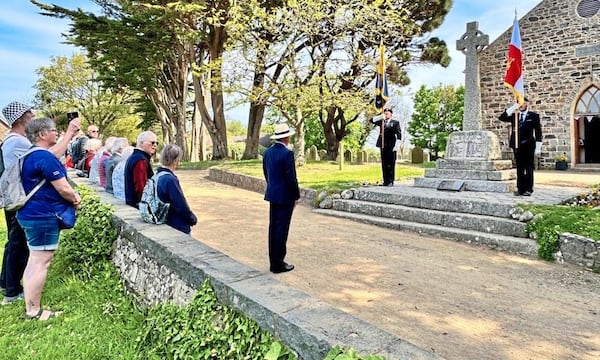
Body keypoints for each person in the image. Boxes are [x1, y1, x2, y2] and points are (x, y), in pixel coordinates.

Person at [0, 102, 80, 306]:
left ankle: (9, 285)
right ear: (20, 119)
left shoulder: (14, 140)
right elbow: (47, 157)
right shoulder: (17, 142)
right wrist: (69, 133)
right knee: (22, 248)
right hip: (29, 204)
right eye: (29, 113)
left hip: (22, 201)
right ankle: (14, 293)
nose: (33, 114)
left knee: (21, 247)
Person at [18, 118, 81, 320]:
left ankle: (31, 306)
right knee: (40, 263)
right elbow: (63, 188)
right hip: (43, 216)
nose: (57, 133)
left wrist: (69, 133)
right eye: (54, 131)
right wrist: (75, 197)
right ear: (42, 135)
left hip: (30, 214)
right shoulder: (44, 158)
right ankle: (34, 311)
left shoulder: (32, 155)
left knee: (34, 260)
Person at [262, 123, 300, 274]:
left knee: (273, 228)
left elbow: (266, 172)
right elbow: (291, 178)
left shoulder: (268, 152)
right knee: (282, 229)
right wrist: (295, 196)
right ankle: (279, 263)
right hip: (285, 196)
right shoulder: (287, 154)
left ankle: (274, 261)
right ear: (286, 137)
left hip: (273, 193)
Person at [498, 97, 542, 196]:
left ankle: (528, 189)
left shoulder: (533, 116)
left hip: (529, 144)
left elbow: (538, 132)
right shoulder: (515, 116)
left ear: (527, 104)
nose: (520, 106)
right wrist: (514, 107)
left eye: (522, 103)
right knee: (520, 167)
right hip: (517, 145)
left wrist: (538, 147)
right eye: (519, 104)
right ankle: (520, 189)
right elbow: (502, 118)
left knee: (528, 167)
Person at [154, 144, 197, 234]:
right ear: (176, 160)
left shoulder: (156, 175)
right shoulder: (170, 179)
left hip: (160, 218)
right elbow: (180, 204)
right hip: (174, 224)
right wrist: (191, 218)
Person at [124, 131, 158, 207]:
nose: (155, 145)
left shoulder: (135, 157)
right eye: (152, 142)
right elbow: (141, 187)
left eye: (156, 143)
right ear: (141, 143)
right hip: (138, 205)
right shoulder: (140, 161)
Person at [370, 108, 402, 186]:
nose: (386, 114)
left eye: (387, 113)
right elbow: (371, 120)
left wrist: (397, 145)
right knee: (384, 163)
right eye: (385, 113)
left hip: (391, 145)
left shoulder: (395, 123)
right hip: (383, 145)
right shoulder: (381, 122)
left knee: (391, 163)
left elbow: (399, 134)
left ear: (391, 115)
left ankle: (391, 181)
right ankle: (385, 181)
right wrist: (380, 117)